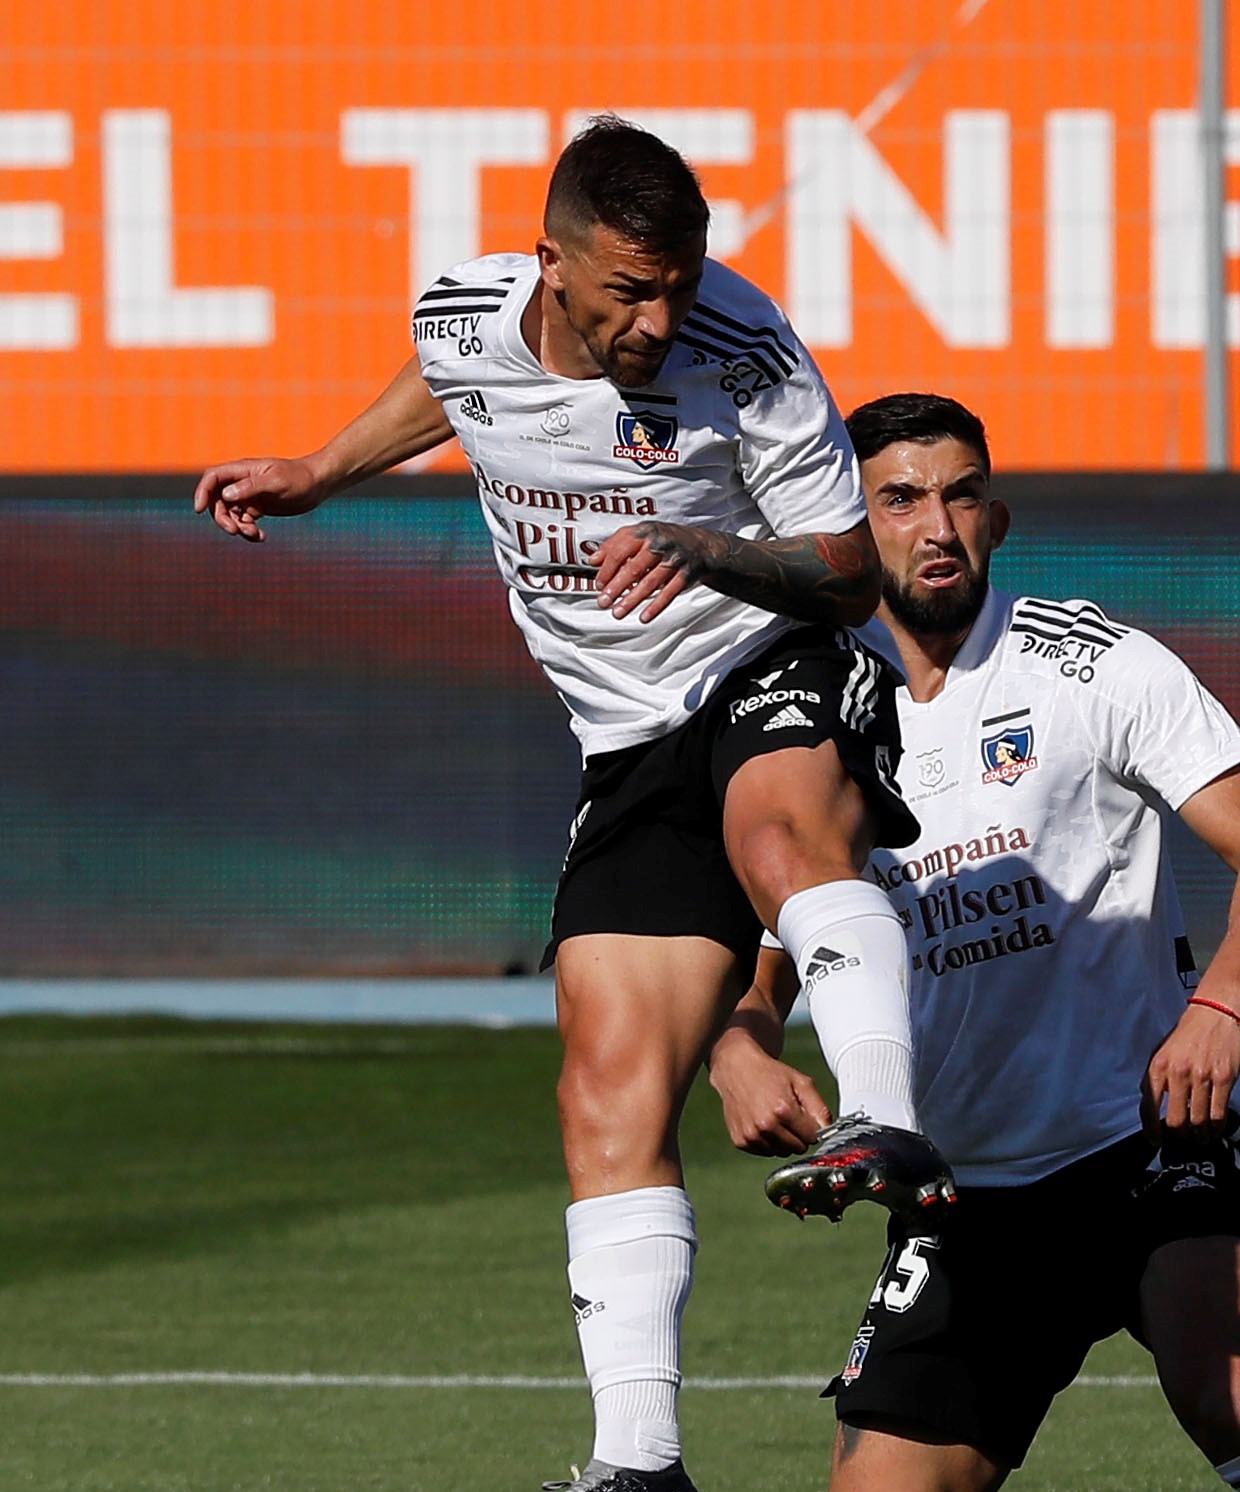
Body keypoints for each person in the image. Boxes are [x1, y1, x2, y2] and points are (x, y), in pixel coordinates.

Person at [190, 118, 948, 1492]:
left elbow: (849, 579)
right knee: (605, 1088)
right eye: (628, 293)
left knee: (778, 833)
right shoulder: (463, 309)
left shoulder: (748, 348)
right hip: (622, 740)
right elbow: (453, 386)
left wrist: (706, 547)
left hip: (760, 665)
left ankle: (880, 1110)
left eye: (677, 285)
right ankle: (639, 1464)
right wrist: (317, 472)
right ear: (553, 265)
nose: (660, 319)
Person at [706, 393, 1240, 1492]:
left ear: (997, 516)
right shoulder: (805, 714)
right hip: (964, 1190)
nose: (937, 525)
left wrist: (1216, 1005)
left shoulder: (1087, 663)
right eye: (900, 499)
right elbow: (777, 932)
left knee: (1232, 1393)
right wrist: (735, 1047)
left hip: (1153, 1137)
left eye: (961, 494)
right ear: (846, 524)